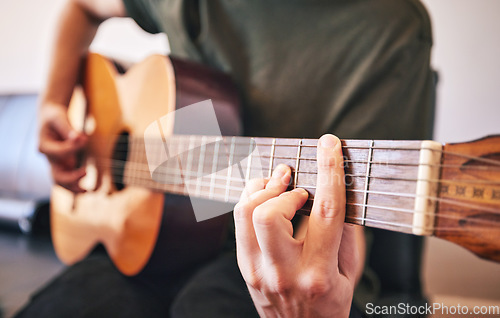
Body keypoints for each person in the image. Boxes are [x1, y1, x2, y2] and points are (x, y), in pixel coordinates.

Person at [16, 0, 435, 317]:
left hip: (286, 250)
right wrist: (52, 103)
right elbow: (82, 6)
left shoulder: (391, 26)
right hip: (157, 231)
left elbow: (361, 194)